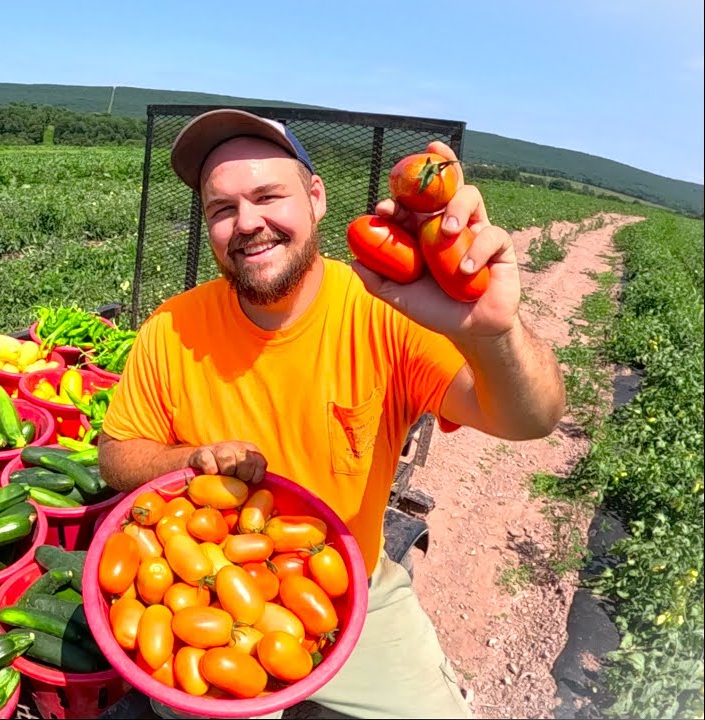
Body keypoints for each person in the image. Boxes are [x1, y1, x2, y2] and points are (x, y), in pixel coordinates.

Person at [97, 108, 565, 719]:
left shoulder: (383, 311)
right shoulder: (170, 328)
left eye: (269, 196)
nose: (247, 223)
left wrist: (495, 332)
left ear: (315, 198)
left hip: (355, 590)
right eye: (221, 209)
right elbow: (115, 452)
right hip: (207, 608)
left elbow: (530, 419)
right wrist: (190, 461)